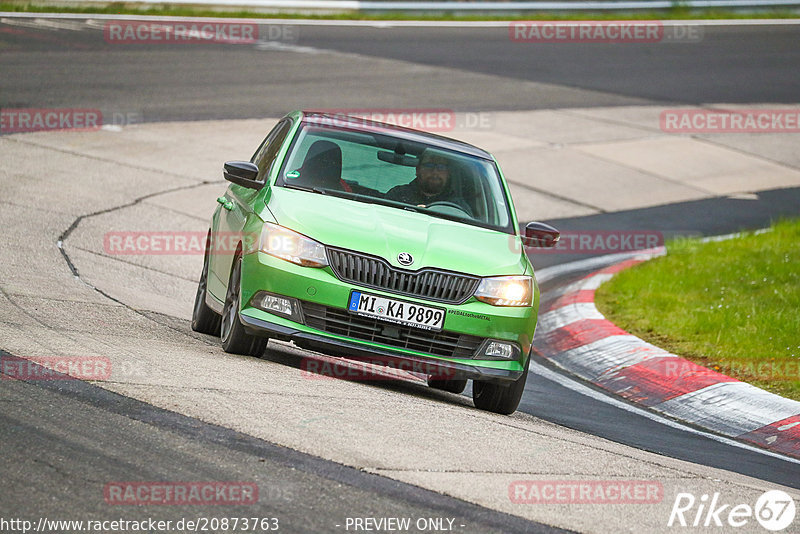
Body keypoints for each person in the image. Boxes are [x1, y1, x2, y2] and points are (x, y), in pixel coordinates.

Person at [385, 148, 470, 213]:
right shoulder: (398, 194)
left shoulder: (458, 206)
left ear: (448, 174)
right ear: (417, 170)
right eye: (429, 165)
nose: (435, 171)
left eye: (441, 167)